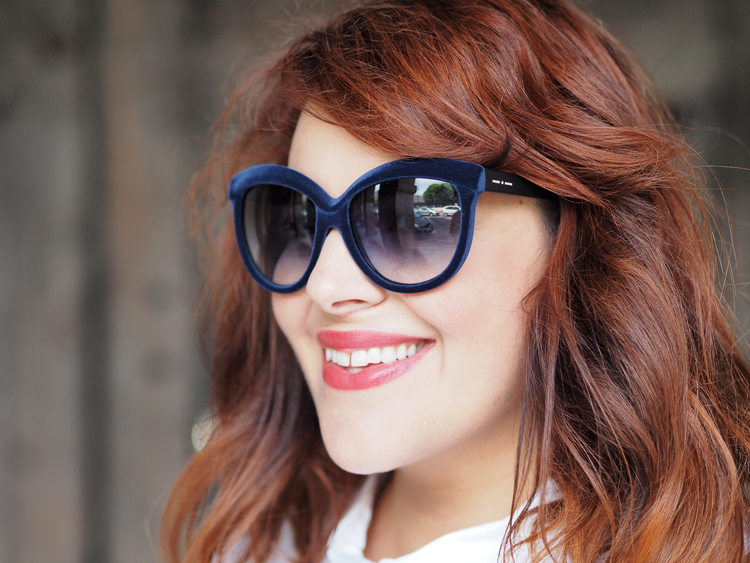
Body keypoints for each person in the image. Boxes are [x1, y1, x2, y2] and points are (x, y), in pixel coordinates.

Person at [161, 1, 750, 562]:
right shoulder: (256, 542)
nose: (326, 286)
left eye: (415, 216)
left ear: (579, 245)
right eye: (296, 217)